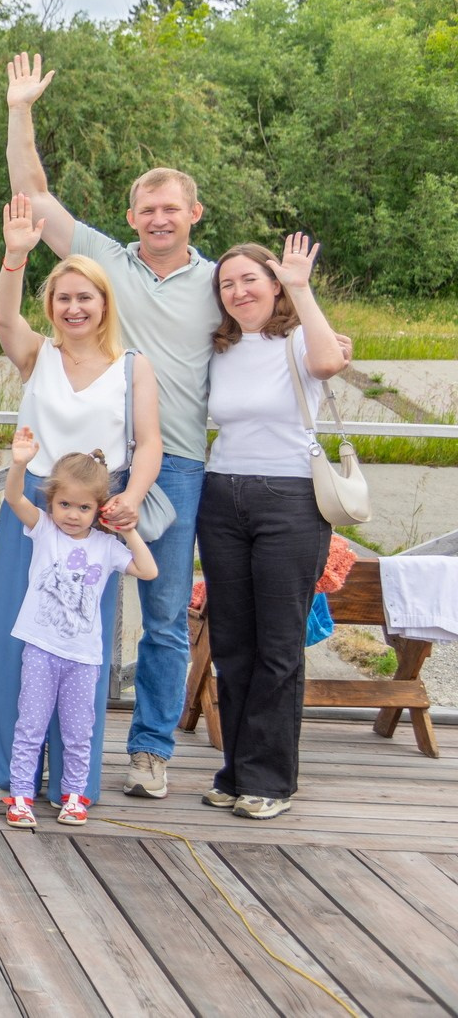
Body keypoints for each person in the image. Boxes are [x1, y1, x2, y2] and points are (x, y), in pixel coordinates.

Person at [5, 52, 217, 799]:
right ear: (132, 218)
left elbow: (272, 324)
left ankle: (150, 750)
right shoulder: (104, 260)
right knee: (66, 605)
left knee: (163, 615)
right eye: (147, 209)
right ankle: (60, 757)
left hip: (172, 465)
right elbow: (33, 194)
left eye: (172, 209)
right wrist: (20, 110)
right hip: (87, 471)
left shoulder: (218, 282)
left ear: (193, 214)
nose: (159, 219)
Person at [0, 194, 162, 806]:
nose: (74, 307)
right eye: (63, 298)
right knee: (16, 636)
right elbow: (4, 318)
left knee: (81, 643)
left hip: (96, 514)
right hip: (33, 505)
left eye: (86, 297)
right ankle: (3, 771)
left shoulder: (133, 367)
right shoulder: (38, 355)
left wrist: (130, 501)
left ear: (105, 303)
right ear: (50, 305)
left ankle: (72, 780)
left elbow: (150, 443)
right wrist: (15, 258)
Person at [199, 235, 348, 820]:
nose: (238, 292)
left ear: (274, 285)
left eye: (250, 280)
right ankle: (236, 772)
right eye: (227, 284)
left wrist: (301, 288)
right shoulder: (220, 347)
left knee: (279, 645)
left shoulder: (300, 337)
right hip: (222, 495)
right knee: (233, 642)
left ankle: (271, 781)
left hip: (290, 499)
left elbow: (330, 363)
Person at [0, 430, 157, 828]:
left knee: (78, 732)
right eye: (64, 504)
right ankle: (20, 796)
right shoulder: (45, 531)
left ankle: (73, 797)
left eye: (84, 507)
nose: (72, 514)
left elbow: (148, 570)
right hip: (41, 649)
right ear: (51, 502)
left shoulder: (107, 547)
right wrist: (19, 464)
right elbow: (14, 498)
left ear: (99, 509)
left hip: (84, 659)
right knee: (30, 727)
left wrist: (127, 528)